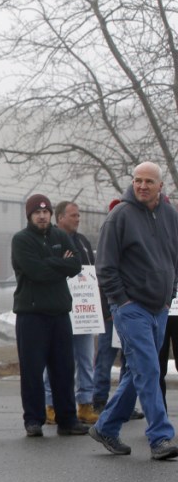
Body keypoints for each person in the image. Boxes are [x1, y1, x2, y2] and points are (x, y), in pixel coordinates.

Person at [89, 162, 178, 460]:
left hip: (159, 308)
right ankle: (160, 437)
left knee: (137, 371)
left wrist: (169, 296)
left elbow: (174, 260)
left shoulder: (170, 215)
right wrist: (122, 302)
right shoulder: (120, 216)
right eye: (138, 180)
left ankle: (106, 426)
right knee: (150, 369)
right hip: (131, 308)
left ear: (160, 186)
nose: (142, 186)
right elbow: (106, 266)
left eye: (148, 182)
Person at [12, 193, 87, 438]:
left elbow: (76, 265)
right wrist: (59, 263)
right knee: (33, 370)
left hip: (59, 313)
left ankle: (68, 419)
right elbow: (35, 272)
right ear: (30, 215)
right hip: (31, 315)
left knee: (64, 368)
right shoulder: (21, 240)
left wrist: (52, 263)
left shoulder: (60, 236)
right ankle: (33, 419)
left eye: (45, 212)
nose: (42, 216)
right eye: (37, 213)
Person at [42, 201, 99, 425]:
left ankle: (85, 404)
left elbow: (91, 273)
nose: (78, 219)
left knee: (86, 359)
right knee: (56, 360)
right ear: (60, 218)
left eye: (78, 215)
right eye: (73, 215)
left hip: (85, 312)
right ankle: (51, 405)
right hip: (61, 309)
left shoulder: (83, 242)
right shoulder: (51, 239)